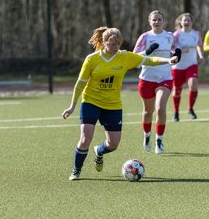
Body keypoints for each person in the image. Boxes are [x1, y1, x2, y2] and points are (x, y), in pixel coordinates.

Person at [62, 27, 179, 181]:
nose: (116, 47)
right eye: (112, 44)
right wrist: (72, 106)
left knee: (113, 144)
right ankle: (76, 170)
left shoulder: (124, 57)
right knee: (85, 138)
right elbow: (80, 84)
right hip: (91, 101)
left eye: (118, 44)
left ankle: (99, 151)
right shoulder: (92, 59)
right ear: (104, 43)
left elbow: (149, 60)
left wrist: (168, 60)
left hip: (113, 105)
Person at [133, 10, 181, 154]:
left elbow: (176, 48)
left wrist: (177, 55)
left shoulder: (169, 36)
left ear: (163, 21)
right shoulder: (145, 37)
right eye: (154, 20)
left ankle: (159, 140)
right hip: (147, 78)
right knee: (148, 112)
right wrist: (148, 51)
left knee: (160, 108)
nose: (157, 22)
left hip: (165, 78)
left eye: (159, 19)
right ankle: (147, 135)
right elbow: (134, 58)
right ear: (150, 22)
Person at [171, 13, 204, 122]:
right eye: (184, 20)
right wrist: (179, 50)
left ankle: (190, 108)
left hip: (191, 64)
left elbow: (199, 46)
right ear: (180, 22)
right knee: (176, 91)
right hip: (178, 66)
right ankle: (176, 112)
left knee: (193, 84)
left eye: (188, 20)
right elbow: (172, 49)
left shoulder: (196, 34)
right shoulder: (176, 35)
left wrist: (201, 55)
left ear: (191, 22)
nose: (186, 22)